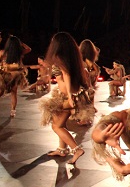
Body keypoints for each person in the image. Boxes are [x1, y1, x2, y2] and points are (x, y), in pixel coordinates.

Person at [39, 32, 94, 164]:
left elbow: (66, 74)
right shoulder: (72, 57)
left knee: (56, 126)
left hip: (68, 96)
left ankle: (76, 149)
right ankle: (62, 149)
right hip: (74, 94)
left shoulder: (59, 57)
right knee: (61, 123)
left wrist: (69, 96)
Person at [0, 34, 31, 118]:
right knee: (13, 93)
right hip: (15, 75)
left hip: (6, 75)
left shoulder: (3, 52)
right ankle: (13, 111)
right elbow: (29, 49)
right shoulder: (19, 52)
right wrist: (22, 43)